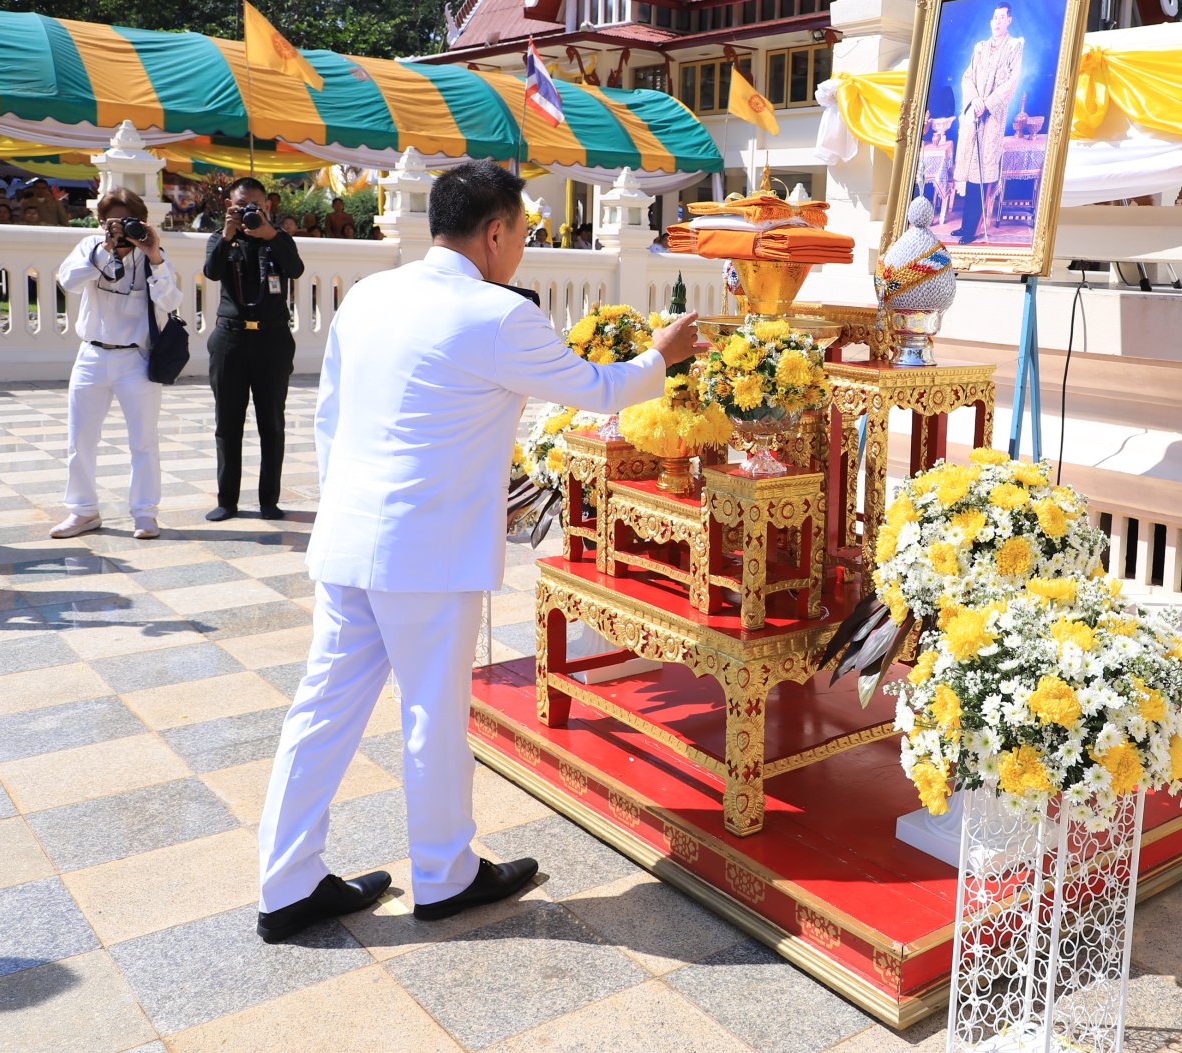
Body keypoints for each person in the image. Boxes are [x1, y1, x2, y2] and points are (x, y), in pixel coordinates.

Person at [253, 162, 699, 941]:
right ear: (494, 233)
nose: (522, 248)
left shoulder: (369, 294)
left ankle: (286, 883)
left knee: (320, 711)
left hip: (351, 537)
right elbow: (601, 389)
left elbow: (328, 418)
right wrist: (662, 355)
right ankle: (445, 874)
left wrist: (359, 509)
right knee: (430, 711)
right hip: (423, 553)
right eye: (522, 233)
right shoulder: (495, 313)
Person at [48, 189, 182, 541]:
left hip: (135, 359)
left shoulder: (153, 253)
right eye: (113, 222)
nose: (121, 229)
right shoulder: (90, 247)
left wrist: (152, 255)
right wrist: (105, 249)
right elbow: (68, 282)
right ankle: (82, 511)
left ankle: (144, 512)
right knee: (80, 439)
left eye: (128, 221)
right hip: (91, 355)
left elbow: (170, 301)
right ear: (100, 222)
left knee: (144, 441)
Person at [203, 177, 303, 522]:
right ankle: (226, 500)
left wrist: (271, 235)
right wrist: (229, 235)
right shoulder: (221, 239)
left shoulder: (279, 240)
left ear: (267, 206)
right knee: (227, 424)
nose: (248, 211)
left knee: (271, 424)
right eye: (240, 205)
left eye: (255, 205)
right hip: (230, 340)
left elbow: (296, 269)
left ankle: (269, 500)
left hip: (272, 340)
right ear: (228, 207)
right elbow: (211, 272)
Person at [951, 1, 1024, 244]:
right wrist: (975, 100)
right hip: (975, 113)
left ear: (1009, 20)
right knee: (971, 172)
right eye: (994, 18)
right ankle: (965, 226)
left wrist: (988, 103)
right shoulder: (980, 47)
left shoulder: (1015, 46)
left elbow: (1011, 82)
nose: (997, 22)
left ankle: (972, 228)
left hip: (992, 116)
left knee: (982, 174)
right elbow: (967, 76)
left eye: (1002, 17)